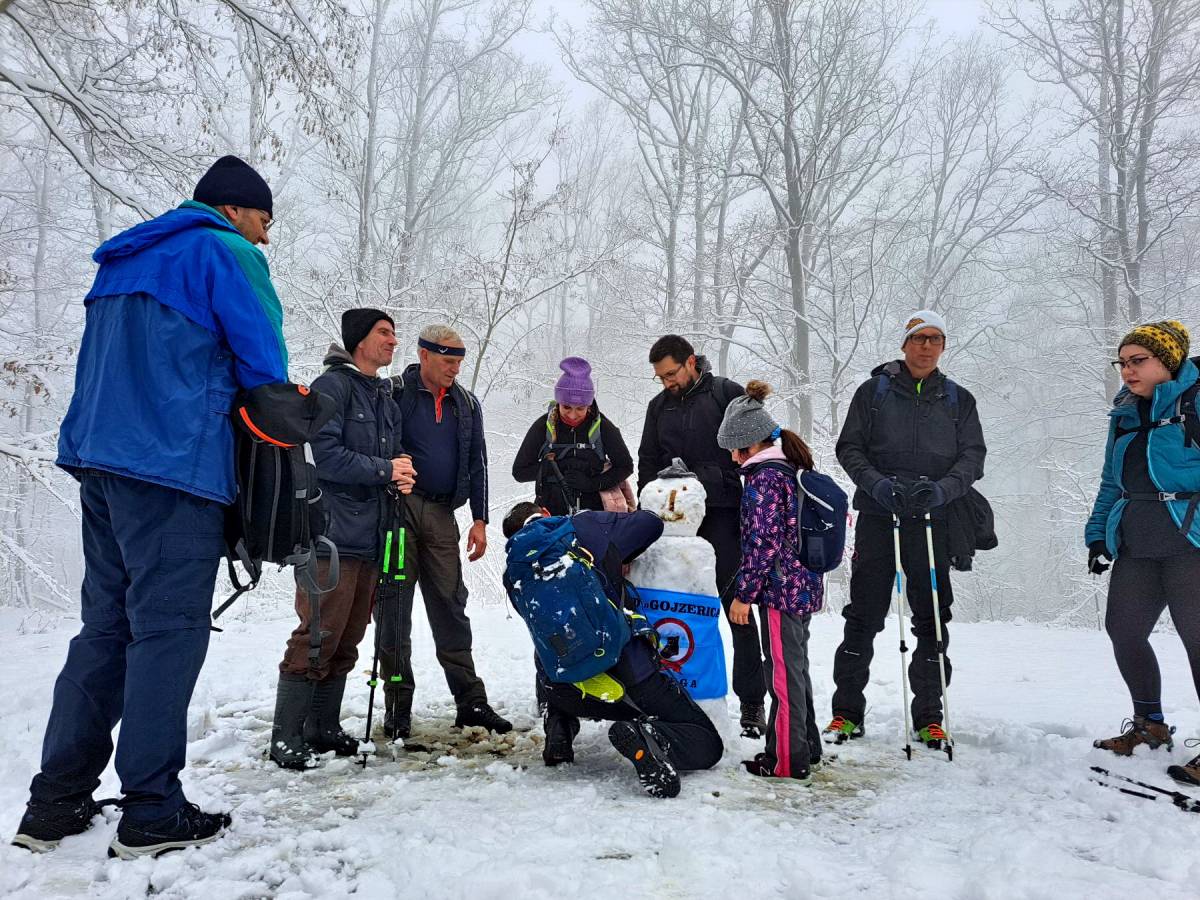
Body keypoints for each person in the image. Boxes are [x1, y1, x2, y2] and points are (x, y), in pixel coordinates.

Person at [13, 156, 287, 858]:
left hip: (100, 460)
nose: (263, 239)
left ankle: (56, 802)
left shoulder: (124, 259)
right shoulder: (223, 253)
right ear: (234, 210)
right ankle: (152, 809)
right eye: (262, 222)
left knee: (104, 628)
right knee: (167, 630)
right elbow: (264, 370)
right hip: (172, 469)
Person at [828, 310, 986, 748]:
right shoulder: (873, 393)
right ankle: (846, 713)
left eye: (935, 339)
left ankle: (930, 716)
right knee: (863, 616)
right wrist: (877, 485)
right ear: (904, 345)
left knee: (932, 619)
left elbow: (973, 457)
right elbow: (850, 448)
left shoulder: (959, 400)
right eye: (918, 338)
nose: (926, 346)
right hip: (880, 517)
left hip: (934, 519)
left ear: (943, 346)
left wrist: (942, 490)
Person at [268, 309, 416, 769]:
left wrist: (401, 470)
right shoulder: (332, 387)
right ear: (358, 340)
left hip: (373, 535)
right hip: (330, 534)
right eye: (383, 333)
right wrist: (383, 470)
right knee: (318, 632)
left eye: (394, 334)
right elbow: (322, 455)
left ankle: (322, 727)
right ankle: (286, 736)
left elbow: (385, 455)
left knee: (349, 635)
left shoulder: (382, 396)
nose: (393, 342)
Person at [501, 502, 724, 798]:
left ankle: (558, 730)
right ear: (544, 512)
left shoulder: (515, 571)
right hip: (630, 678)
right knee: (706, 743)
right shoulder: (585, 525)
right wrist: (615, 551)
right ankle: (648, 736)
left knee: (553, 639)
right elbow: (651, 523)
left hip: (568, 689)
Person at [376, 324, 511, 738]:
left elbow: (479, 462)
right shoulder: (395, 391)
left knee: (451, 604)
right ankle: (398, 709)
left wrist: (480, 519)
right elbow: (376, 446)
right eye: (448, 361)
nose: (455, 369)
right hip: (397, 511)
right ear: (424, 355)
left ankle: (471, 701)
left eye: (459, 362)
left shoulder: (465, 403)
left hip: (441, 513)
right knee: (394, 608)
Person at [1086, 321, 1200, 786]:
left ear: (1167, 362)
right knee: (1124, 631)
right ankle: (1150, 725)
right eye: (1123, 362)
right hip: (1136, 542)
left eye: (1138, 361)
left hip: (1190, 544)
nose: (1128, 370)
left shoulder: (1194, 404)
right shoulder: (1126, 414)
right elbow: (1111, 482)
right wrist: (1097, 536)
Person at [638, 335, 767, 737]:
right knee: (668, 610)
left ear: (692, 362)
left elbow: (758, 453)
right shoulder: (658, 407)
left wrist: (701, 479)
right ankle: (671, 694)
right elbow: (646, 463)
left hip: (723, 519)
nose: (667, 383)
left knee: (737, 611)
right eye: (660, 377)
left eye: (672, 374)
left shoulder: (727, 394)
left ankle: (751, 704)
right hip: (672, 530)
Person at [717, 381, 825, 783]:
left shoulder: (765, 480)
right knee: (795, 670)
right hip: (803, 586)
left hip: (780, 591)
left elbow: (763, 544)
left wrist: (744, 596)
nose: (731, 456)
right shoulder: (791, 469)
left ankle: (786, 759)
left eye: (735, 448)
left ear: (751, 444)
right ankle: (806, 747)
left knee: (781, 674)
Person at [512, 356, 634, 516]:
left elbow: (625, 466)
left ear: (589, 406)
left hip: (594, 514)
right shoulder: (543, 427)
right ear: (558, 402)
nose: (573, 415)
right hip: (551, 514)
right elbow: (519, 472)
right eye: (567, 407)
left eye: (580, 408)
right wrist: (555, 467)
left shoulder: (603, 427)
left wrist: (592, 484)